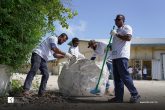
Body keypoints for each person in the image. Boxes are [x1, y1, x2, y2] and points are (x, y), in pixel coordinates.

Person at [108, 14, 140, 103]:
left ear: (123, 20)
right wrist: (110, 46)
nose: (116, 21)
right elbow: (117, 44)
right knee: (117, 78)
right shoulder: (117, 30)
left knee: (125, 76)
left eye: (118, 19)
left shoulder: (126, 27)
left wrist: (116, 34)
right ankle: (118, 98)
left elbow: (128, 38)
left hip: (122, 56)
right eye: (115, 20)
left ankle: (135, 94)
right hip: (115, 56)